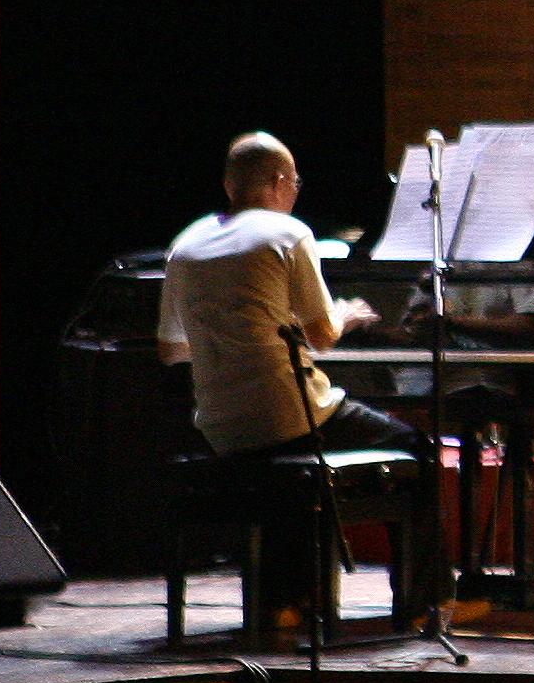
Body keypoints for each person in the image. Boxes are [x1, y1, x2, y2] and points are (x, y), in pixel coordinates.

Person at [156, 133, 431, 630]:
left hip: (220, 428)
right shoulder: (288, 233)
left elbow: (171, 349)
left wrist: (233, 335)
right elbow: (323, 336)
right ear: (282, 183)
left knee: (285, 469)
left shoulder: (185, 244)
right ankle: (426, 601)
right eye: (295, 183)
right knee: (414, 446)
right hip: (289, 413)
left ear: (228, 185)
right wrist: (345, 315)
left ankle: (288, 601)